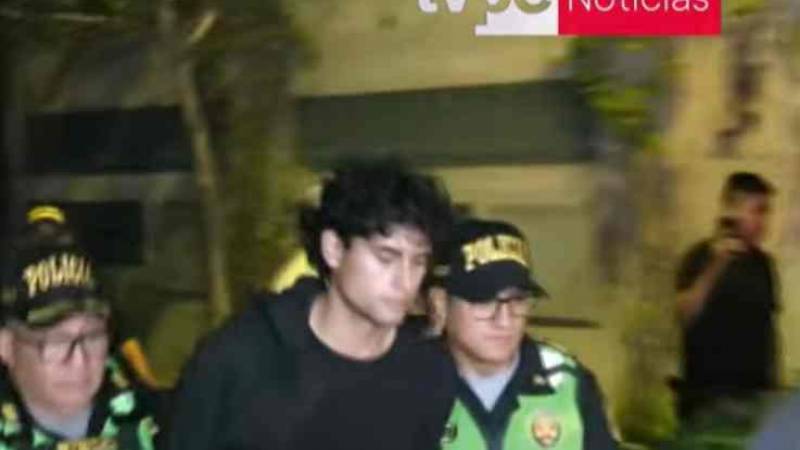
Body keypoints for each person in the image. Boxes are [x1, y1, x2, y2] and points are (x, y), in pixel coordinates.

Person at [167, 160, 455, 450]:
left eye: (418, 261)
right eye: (386, 258)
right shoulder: (239, 356)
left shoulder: (427, 371)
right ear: (334, 249)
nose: (405, 280)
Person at [428, 218, 617, 450]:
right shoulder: (408, 386)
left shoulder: (568, 384)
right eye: (484, 300)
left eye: (517, 300)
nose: (504, 320)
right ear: (440, 303)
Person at [0, 205, 160, 449]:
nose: (79, 361)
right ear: (6, 346)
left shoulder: (164, 423)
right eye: (57, 342)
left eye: (92, 337)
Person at [675, 172, 779, 419]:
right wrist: (717, 264)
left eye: (766, 212)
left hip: (756, 399)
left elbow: (768, 330)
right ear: (732, 210)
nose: (763, 221)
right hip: (707, 401)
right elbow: (685, 314)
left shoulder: (763, 264)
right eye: (757, 211)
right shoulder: (699, 257)